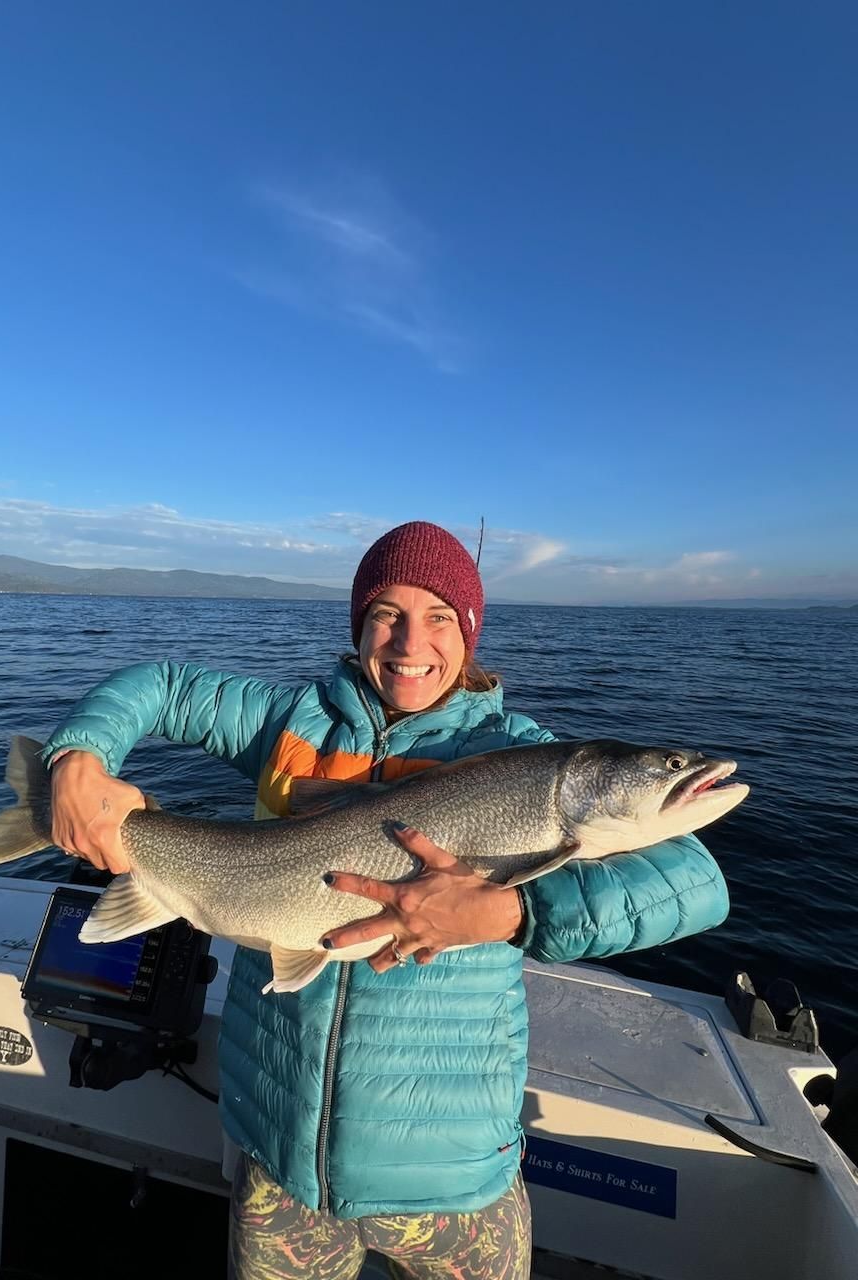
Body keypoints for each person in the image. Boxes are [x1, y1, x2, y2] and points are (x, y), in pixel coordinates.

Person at [45, 521, 729, 1280]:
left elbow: (697, 883)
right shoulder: (285, 723)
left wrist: (509, 914)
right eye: (386, 615)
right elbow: (161, 686)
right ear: (359, 626)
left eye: (439, 617)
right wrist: (78, 757)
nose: (411, 642)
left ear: (469, 632)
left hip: (455, 1181)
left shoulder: (523, 754)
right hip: (282, 1169)